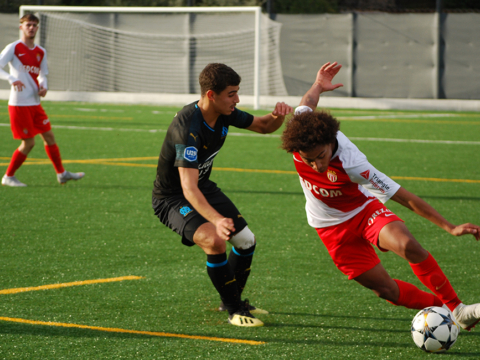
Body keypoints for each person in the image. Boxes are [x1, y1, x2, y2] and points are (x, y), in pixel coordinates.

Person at [280, 61, 480, 331]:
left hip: (363, 211)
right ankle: (447, 313)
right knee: (385, 290)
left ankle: (458, 308)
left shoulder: (352, 163)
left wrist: (450, 227)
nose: (316, 166)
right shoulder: (300, 136)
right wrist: (318, 85)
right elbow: (307, 104)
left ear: (330, 142)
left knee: (408, 246)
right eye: (309, 160)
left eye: (321, 157)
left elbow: (402, 196)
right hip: (328, 226)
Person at [152, 63, 292, 327]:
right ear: (211, 95)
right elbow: (187, 188)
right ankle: (233, 309)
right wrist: (216, 219)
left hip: (202, 187)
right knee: (215, 240)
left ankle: (233, 299)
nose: (237, 100)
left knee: (245, 240)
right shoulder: (187, 129)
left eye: (237, 93)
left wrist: (278, 115)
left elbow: (263, 126)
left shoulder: (224, 112)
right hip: (171, 198)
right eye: (232, 94)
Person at [0, 14, 84, 187]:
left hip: (35, 104)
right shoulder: (14, 48)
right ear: (21, 27)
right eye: (28, 25)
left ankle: (61, 174)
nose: (31, 28)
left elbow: (42, 74)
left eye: (34, 25)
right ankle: (8, 176)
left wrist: (43, 86)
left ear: (37, 28)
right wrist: (10, 78)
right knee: (29, 143)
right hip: (19, 104)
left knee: (49, 137)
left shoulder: (41, 51)